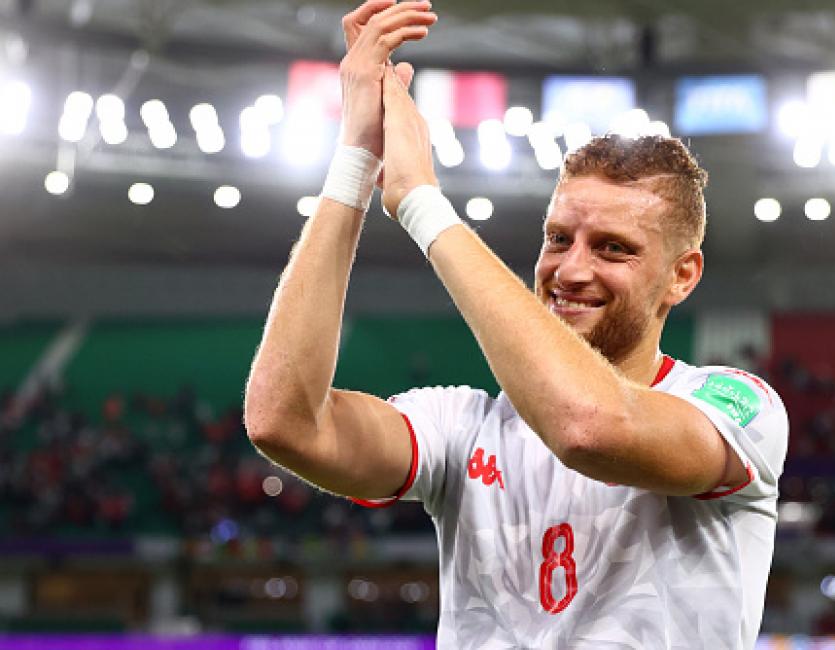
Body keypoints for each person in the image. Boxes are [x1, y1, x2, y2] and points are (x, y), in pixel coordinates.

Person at [243, 1, 788, 647]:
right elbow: (285, 423)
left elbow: (587, 428)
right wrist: (357, 160)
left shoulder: (734, 406)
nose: (570, 269)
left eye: (612, 247)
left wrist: (421, 203)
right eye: (558, 238)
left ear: (682, 275)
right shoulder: (462, 427)